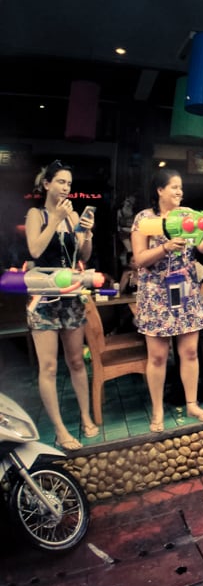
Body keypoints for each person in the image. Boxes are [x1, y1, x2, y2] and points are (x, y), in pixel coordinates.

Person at [131, 169, 203, 430]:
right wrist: (166, 246)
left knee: (190, 352)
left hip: (186, 290)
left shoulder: (187, 215)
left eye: (181, 187)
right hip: (155, 293)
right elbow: (140, 259)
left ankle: (192, 404)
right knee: (157, 356)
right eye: (174, 187)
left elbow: (202, 247)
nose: (179, 192)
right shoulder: (143, 219)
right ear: (160, 190)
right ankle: (157, 411)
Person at [23, 160, 98, 450]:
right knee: (50, 367)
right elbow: (35, 250)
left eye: (69, 183)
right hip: (43, 298)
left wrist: (88, 233)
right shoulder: (36, 214)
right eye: (61, 182)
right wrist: (55, 218)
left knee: (77, 360)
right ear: (47, 184)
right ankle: (59, 429)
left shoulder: (73, 215)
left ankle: (85, 415)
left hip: (70, 294)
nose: (66, 188)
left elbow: (85, 255)